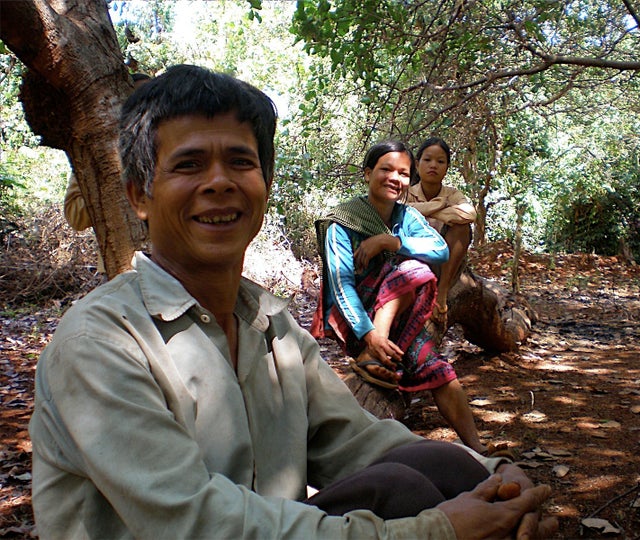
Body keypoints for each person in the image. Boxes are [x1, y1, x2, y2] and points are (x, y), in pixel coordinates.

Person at [30, 65, 557, 539]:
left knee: (419, 479)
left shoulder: (272, 326)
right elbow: (193, 521)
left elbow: (359, 441)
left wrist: (493, 475)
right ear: (139, 196)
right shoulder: (100, 342)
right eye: (189, 165)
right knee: (418, 509)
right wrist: (435, 531)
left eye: (240, 161)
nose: (219, 183)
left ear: (265, 183)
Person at [311, 140, 487, 455]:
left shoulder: (406, 217)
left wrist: (389, 241)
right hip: (358, 321)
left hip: (399, 319)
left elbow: (441, 250)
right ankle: (371, 351)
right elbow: (341, 285)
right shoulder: (343, 221)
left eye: (403, 173)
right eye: (386, 170)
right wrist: (368, 334)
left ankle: (479, 450)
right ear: (367, 173)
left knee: (435, 367)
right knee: (412, 268)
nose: (396, 178)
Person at [63, 72, 151, 274]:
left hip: (176, 270)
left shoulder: (176, 149)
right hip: (122, 271)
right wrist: (112, 176)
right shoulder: (94, 155)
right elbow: (76, 218)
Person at [407, 137, 477, 336]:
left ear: (447, 167)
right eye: (427, 160)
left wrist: (429, 212)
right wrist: (436, 207)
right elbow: (397, 210)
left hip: (445, 263)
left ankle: (442, 292)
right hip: (413, 260)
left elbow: (470, 214)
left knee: (462, 228)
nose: (433, 166)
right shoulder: (406, 193)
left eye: (440, 161)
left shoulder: (452, 194)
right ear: (417, 163)